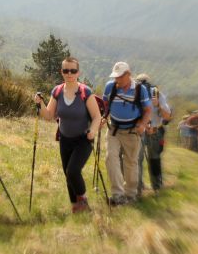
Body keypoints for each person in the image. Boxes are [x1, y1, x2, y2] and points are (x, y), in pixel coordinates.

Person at [33, 57, 101, 213]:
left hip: (84, 139)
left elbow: (96, 116)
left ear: (78, 72)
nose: (69, 74)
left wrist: (93, 131)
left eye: (73, 70)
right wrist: (40, 104)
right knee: (67, 174)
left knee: (72, 171)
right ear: (61, 72)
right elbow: (49, 115)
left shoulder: (85, 92)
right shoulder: (57, 91)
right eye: (66, 70)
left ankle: (83, 201)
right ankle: (75, 207)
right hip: (65, 139)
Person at [102, 62, 152, 205]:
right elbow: (105, 103)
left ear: (128, 74)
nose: (117, 79)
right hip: (114, 129)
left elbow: (148, 110)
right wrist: (104, 117)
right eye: (115, 76)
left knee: (130, 162)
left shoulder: (139, 89)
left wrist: (143, 124)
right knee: (110, 158)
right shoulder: (109, 87)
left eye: (120, 76)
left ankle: (130, 194)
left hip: (132, 131)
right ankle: (118, 195)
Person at [135, 74, 172, 196]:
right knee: (137, 160)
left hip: (155, 131)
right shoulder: (134, 94)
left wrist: (157, 105)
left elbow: (167, 116)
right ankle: (138, 188)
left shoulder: (157, 94)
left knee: (154, 159)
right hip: (140, 131)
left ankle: (156, 187)